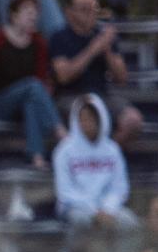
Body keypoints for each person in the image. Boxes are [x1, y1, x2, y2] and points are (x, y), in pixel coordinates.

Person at [0, 0, 67, 168]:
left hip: (26, 98)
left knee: (31, 101)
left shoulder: (39, 43)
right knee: (31, 86)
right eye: (27, 11)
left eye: (35, 12)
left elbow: (41, 78)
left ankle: (36, 156)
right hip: (0, 101)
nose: (33, 16)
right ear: (14, 15)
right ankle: (60, 133)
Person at [49, 0, 141, 149]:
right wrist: (93, 49)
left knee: (133, 120)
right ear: (69, 12)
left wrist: (107, 50)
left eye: (94, 9)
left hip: (102, 94)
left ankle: (105, 154)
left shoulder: (103, 36)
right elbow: (64, 76)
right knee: (87, 118)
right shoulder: (59, 38)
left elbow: (122, 78)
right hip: (70, 96)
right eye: (84, 9)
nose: (90, 14)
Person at [53, 94, 137, 230]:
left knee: (129, 222)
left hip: (108, 208)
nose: (86, 123)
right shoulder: (64, 151)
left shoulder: (112, 150)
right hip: (76, 207)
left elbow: (120, 187)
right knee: (82, 220)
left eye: (91, 118)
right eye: (83, 119)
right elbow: (65, 191)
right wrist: (93, 210)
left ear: (101, 118)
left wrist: (108, 209)